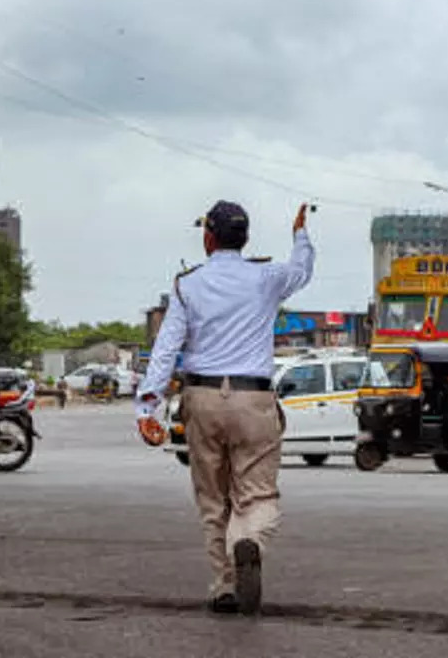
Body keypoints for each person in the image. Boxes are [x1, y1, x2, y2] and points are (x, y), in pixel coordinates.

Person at [136, 201, 315, 616]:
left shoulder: (188, 284)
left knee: (213, 499)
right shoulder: (267, 278)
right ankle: (247, 541)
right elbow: (302, 269)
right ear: (246, 238)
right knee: (258, 495)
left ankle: (224, 585)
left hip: (201, 399)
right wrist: (300, 234)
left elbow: (167, 349)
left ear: (208, 238)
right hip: (254, 399)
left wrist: (148, 407)